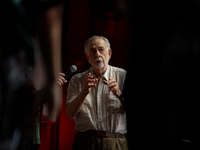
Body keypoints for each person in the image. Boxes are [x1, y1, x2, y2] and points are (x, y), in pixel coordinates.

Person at [66, 35, 128, 150]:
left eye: (101, 50)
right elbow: (69, 113)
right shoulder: (77, 80)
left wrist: (120, 94)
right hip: (86, 142)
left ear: (109, 53)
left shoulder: (123, 76)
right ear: (88, 57)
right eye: (93, 51)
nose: (97, 54)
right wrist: (84, 92)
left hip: (116, 143)